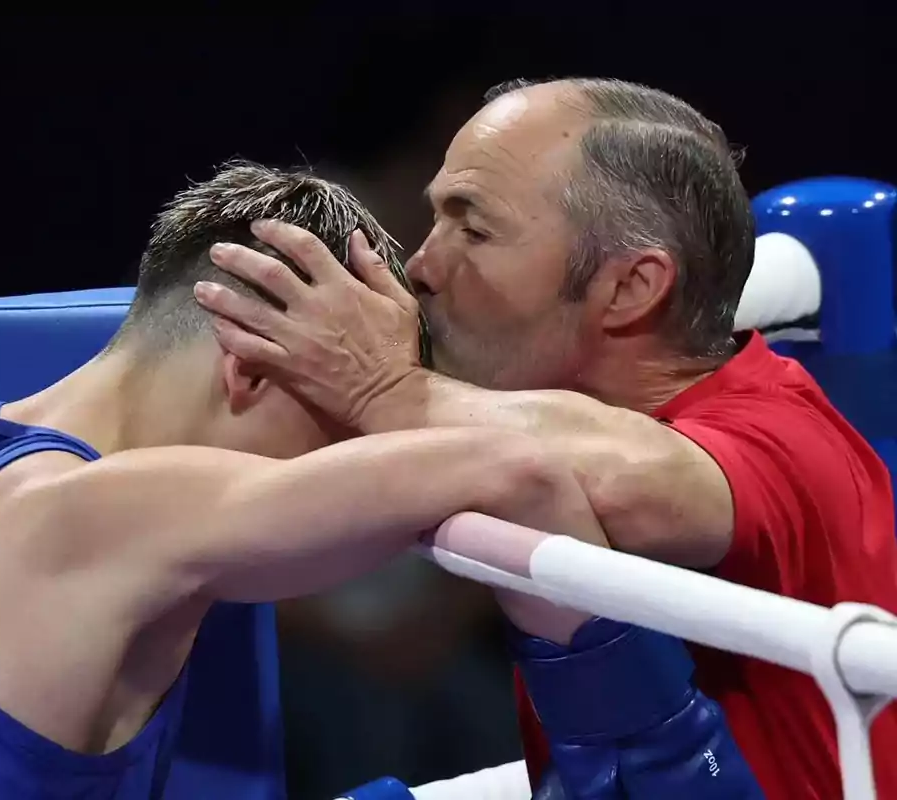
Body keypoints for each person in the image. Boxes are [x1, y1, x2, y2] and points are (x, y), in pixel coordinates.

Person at [0, 161, 624, 799]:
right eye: (341, 417)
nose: (345, 448)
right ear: (252, 369)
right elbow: (521, 466)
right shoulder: (132, 517)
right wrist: (392, 389)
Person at [193, 78, 897, 798]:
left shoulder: (780, 437)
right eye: (437, 219)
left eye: (474, 230)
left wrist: (386, 391)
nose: (424, 267)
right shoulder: (554, 413)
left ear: (630, 289)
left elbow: (642, 481)